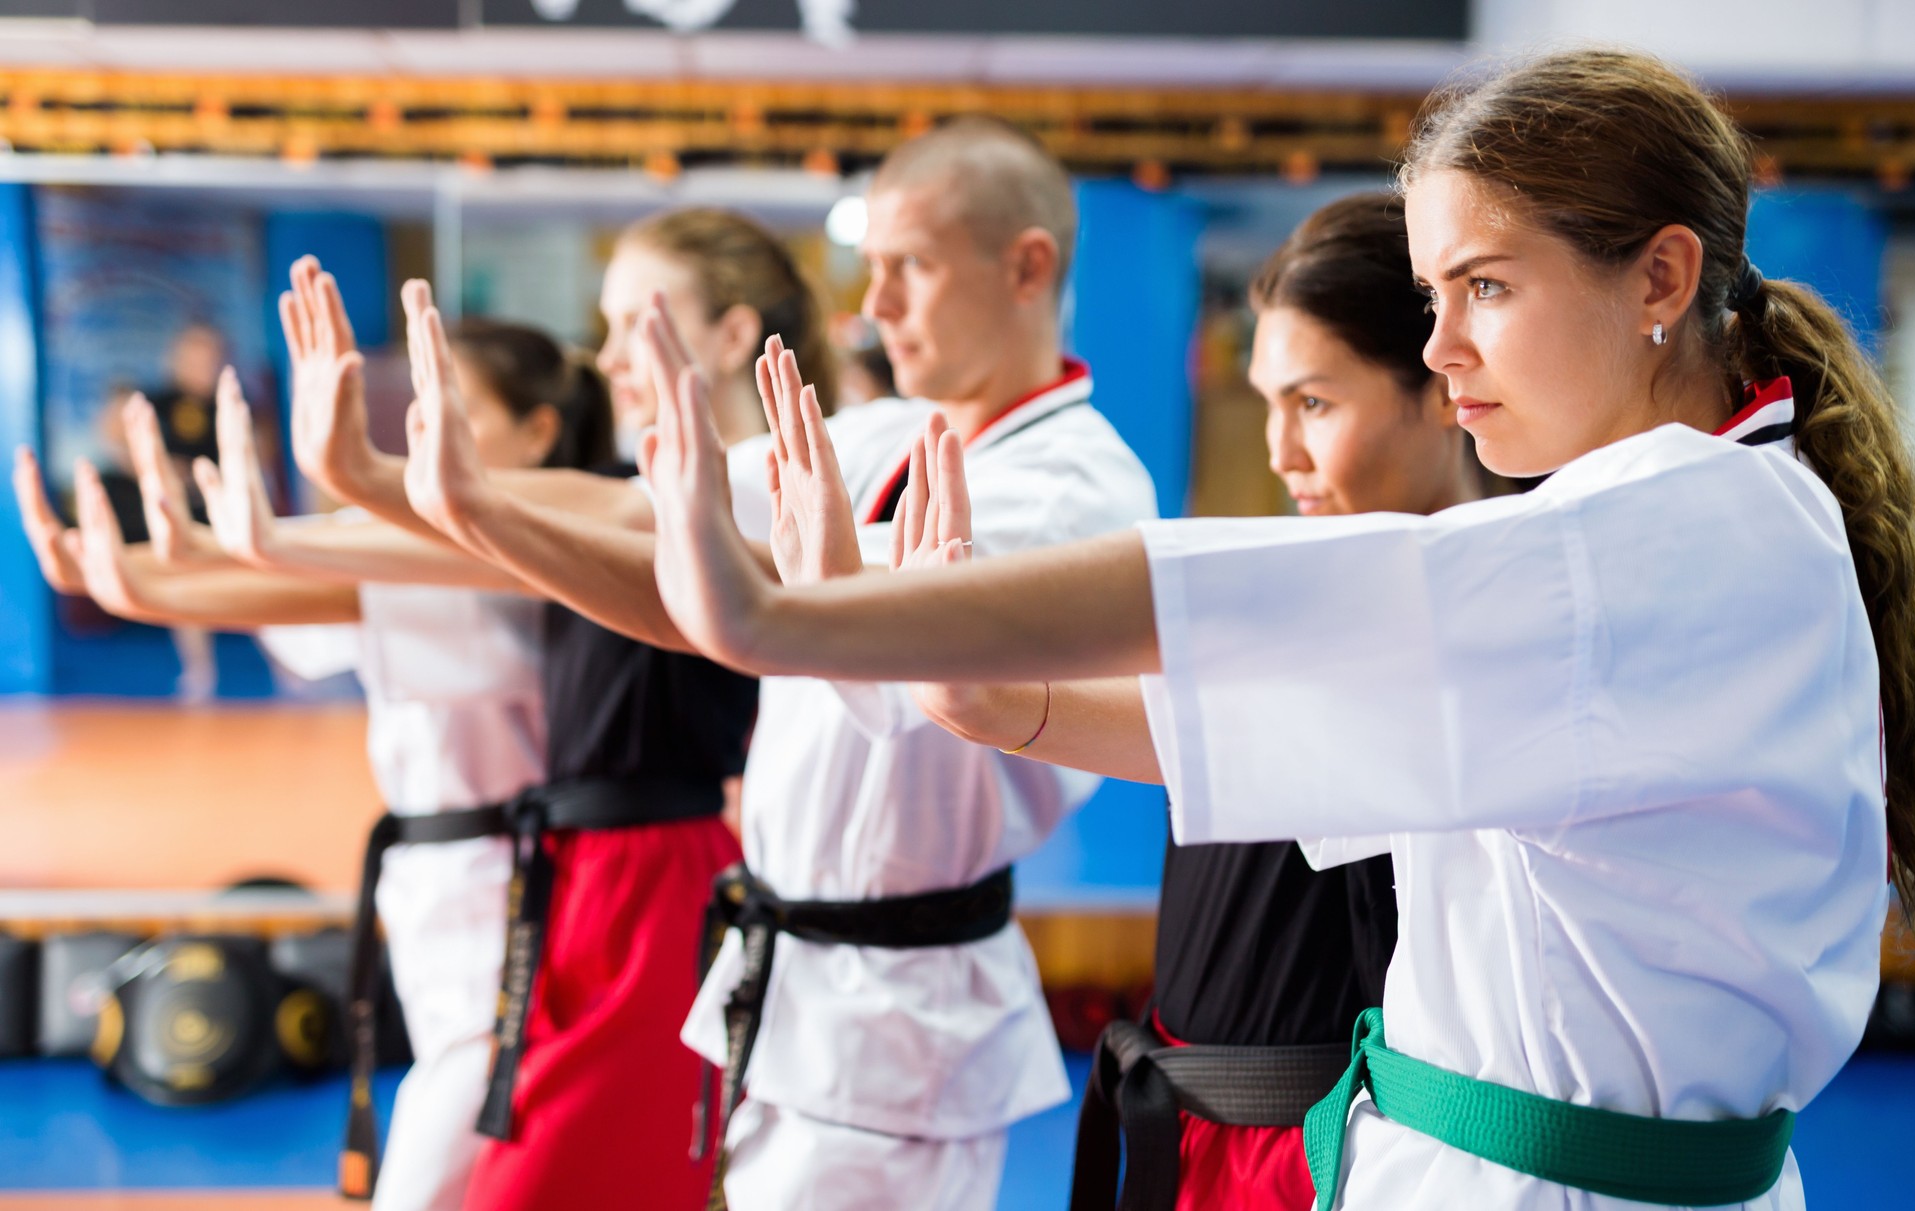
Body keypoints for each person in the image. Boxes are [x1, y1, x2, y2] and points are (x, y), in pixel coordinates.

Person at [635, 48, 1913, 1210]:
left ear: (1661, 277)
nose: (1444, 347)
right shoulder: (1674, 515)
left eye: (1486, 285)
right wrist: (990, 697)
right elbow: (1294, 709)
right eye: (1433, 294)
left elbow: (1255, 603)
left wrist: (815, 616)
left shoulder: (1671, 526)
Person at [396, 119, 1159, 1209]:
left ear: (1027, 267)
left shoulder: (1071, 487)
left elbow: (800, 627)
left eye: (911, 267)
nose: (876, 303)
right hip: (791, 990)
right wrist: (410, 489)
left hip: (896, 1025)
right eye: (872, 268)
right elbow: (640, 515)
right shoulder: (885, 432)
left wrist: (479, 511)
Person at [874, 192, 1484, 1211]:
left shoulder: (1467, 615)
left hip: (1325, 1152)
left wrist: (976, 680)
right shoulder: (1299, 584)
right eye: (1268, 402)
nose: (1280, 450)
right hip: (1200, 1136)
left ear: (1441, 390)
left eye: (1315, 404)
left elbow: (1154, 711)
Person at [271, 209, 824, 1210]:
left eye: (632, 324)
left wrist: (352, 488)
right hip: (583, 869)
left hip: (662, 870)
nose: (606, 358)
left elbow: (570, 518)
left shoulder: (762, 487)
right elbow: (493, 535)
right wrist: (261, 539)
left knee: (546, 1175)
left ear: (735, 333)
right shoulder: (634, 486)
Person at [13, 314, 616, 1211]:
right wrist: (133, 570)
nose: (426, 429)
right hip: (435, 885)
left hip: (514, 894)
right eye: (421, 407)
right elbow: (306, 582)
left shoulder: (528, 559)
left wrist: (141, 578)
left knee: (446, 1152)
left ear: (538, 431)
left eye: (458, 410)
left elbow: (327, 583)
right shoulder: (418, 539)